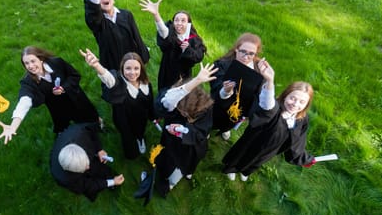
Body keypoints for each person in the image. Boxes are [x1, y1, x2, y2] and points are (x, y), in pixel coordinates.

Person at [221, 60, 316, 181]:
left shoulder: (302, 119)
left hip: (270, 150)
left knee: (258, 161)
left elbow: (297, 144)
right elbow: (267, 102)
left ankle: (245, 172)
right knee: (240, 155)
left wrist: (304, 159)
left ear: (307, 104)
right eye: (293, 98)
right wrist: (270, 81)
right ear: (285, 95)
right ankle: (232, 168)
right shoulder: (274, 109)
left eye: (302, 102)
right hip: (252, 141)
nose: (295, 104)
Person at [0, 46, 99, 144]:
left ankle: (98, 126)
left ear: (40, 59)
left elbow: (74, 75)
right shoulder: (28, 82)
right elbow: (24, 101)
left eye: (33, 61)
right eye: (26, 63)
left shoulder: (57, 63)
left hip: (75, 98)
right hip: (57, 107)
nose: (30, 66)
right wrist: (14, 126)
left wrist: (64, 88)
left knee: (88, 117)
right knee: (62, 126)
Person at [153, 63, 217, 196]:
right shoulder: (173, 103)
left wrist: (182, 130)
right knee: (168, 159)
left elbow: (201, 133)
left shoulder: (205, 108)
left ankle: (178, 178)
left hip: (190, 148)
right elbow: (167, 102)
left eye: (188, 115)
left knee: (182, 166)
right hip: (171, 142)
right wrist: (196, 81)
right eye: (182, 113)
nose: (186, 117)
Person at [80, 48, 154, 159]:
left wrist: (153, 115)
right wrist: (97, 66)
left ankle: (140, 138)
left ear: (141, 69)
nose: (132, 72)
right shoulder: (118, 84)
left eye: (136, 68)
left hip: (141, 115)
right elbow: (109, 79)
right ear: (122, 69)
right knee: (128, 137)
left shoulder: (145, 84)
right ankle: (131, 152)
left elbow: (150, 102)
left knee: (140, 129)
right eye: (128, 68)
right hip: (124, 119)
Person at [139, 0, 206, 91]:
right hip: (168, 71)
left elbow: (198, 57)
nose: (179, 23)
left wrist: (188, 49)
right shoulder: (170, 34)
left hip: (185, 73)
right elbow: (163, 31)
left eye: (183, 20)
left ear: (189, 23)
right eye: (176, 20)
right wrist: (156, 14)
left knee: (183, 95)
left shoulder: (193, 39)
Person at [50, 122, 124, 201]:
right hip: (77, 179)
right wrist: (112, 182)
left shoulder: (80, 133)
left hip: (78, 142)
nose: (88, 167)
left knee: (99, 168)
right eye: (84, 167)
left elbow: (92, 131)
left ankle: (108, 179)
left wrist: (99, 150)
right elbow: (88, 186)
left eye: (86, 163)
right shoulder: (65, 179)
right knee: (90, 189)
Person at [210, 33, 264, 141]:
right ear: (236, 49)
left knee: (231, 120)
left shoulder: (259, 70)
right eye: (243, 51)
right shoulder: (222, 64)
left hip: (240, 107)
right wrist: (225, 90)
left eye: (251, 54)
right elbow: (215, 84)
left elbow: (259, 94)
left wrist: (250, 112)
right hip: (219, 103)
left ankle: (225, 128)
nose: (246, 57)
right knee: (213, 119)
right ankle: (207, 129)